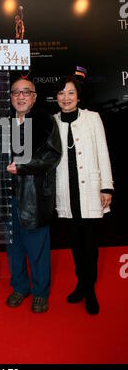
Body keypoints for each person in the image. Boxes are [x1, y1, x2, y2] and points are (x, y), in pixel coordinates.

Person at [54, 76, 113, 315]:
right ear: (56, 97)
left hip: (90, 190)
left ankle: (90, 290)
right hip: (66, 192)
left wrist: (106, 187)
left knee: (90, 244)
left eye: (70, 93)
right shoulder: (52, 122)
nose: (65, 98)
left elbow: (102, 151)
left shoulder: (92, 118)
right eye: (61, 93)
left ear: (78, 96)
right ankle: (80, 284)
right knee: (75, 245)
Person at [6, 77, 61, 313]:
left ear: (34, 96)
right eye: (16, 93)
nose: (20, 96)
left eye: (25, 92)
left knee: (37, 247)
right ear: (10, 97)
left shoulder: (44, 120)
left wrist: (23, 166)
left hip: (34, 196)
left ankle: (40, 292)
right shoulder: (3, 123)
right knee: (13, 246)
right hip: (7, 195)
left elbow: (52, 156)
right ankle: (20, 287)